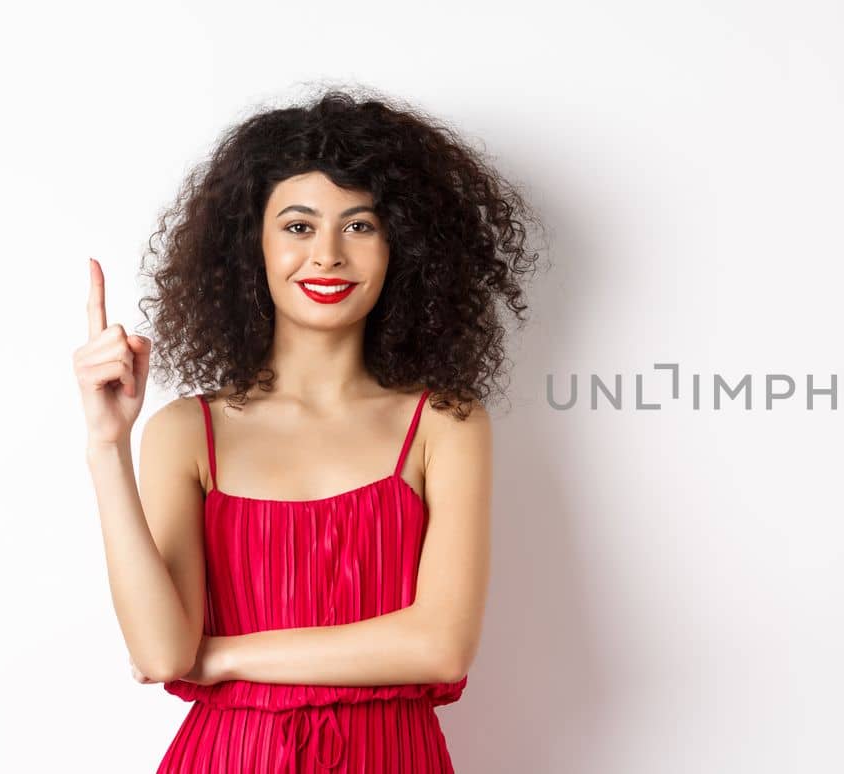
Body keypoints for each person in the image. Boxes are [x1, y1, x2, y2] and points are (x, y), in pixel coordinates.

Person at [73, 86, 541, 772]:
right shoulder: (186, 431)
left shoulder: (445, 424)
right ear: (250, 245)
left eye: (360, 225)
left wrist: (225, 655)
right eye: (298, 226)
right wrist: (106, 446)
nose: (328, 254)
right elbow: (162, 654)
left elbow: (441, 646)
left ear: (402, 246)